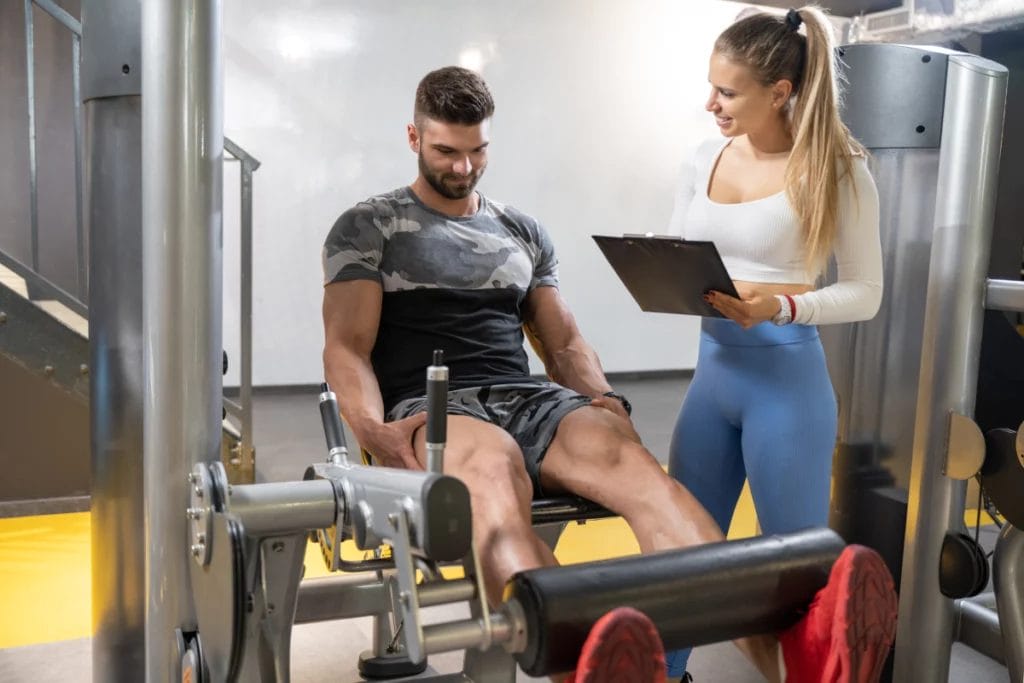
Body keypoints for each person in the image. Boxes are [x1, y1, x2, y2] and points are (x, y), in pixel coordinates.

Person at [322, 65, 894, 682]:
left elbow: (561, 340)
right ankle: (585, 659)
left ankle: (792, 660)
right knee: (490, 471)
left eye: (477, 151)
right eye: (446, 152)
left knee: (642, 475)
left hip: (527, 399)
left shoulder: (521, 230)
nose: (463, 168)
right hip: (433, 406)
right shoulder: (369, 225)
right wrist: (373, 432)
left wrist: (603, 400)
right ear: (414, 138)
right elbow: (348, 347)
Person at [662, 7, 885, 680]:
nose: (711, 104)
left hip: (784, 389)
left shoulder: (837, 168)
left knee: (794, 581)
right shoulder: (702, 157)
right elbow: (677, 248)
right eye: (711, 86)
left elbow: (867, 292)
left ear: (780, 92)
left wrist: (783, 304)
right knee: (679, 556)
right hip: (712, 379)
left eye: (727, 92)